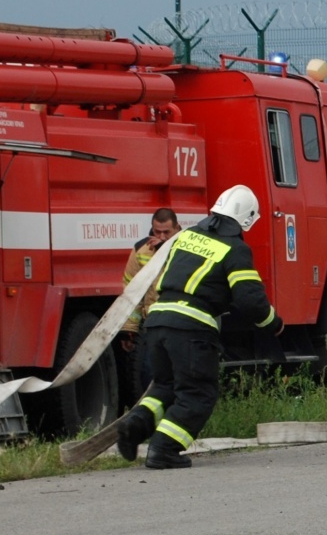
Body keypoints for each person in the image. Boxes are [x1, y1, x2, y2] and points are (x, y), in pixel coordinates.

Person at [108, 186, 281, 470]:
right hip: (191, 329)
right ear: (247, 219)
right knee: (198, 393)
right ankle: (163, 449)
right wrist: (274, 323)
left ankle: (135, 426)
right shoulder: (235, 248)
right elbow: (251, 301)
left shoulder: (185, 236)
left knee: (167, 386)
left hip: (158, 321)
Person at [117, 207, 180, 402]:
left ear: (177, 228)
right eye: (156, 231)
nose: (161, 236)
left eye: (166, 232)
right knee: (149, 373)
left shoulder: (187, 246)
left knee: (182, 375)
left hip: (180, 323)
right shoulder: (141, 250)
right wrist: (129, 330)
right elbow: (131, 291)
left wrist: (164, 249)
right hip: (151, 323)